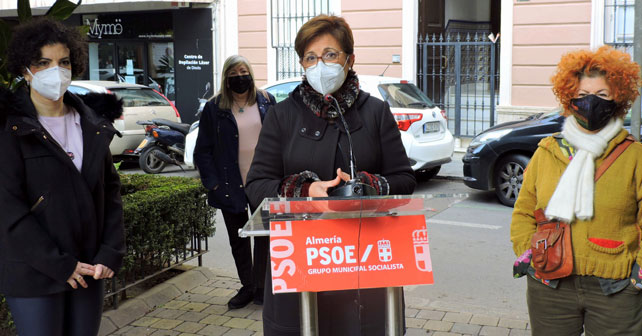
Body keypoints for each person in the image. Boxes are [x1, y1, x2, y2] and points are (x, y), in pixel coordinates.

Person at [245, 14, 416, 336]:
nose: (320, 64)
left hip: (364, 265)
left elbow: (404, 178)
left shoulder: (375, 112)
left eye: (329, 54)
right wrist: (306, 190)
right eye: (310, 57)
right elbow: (256, 185)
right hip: (299, 266)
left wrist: (369, 185)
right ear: (302, 64)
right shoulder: (282, 116)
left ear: (350, 59)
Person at [0, 17, 126, 336]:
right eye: (43, 62)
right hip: (34, 274)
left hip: (89, 270)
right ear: (24, 70)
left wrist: (110, 252)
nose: (55, 71)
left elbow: (109, 193)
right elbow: (8, 210)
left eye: (63, 61)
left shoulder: (91, 123)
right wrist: (59, 264)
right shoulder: (9, 129)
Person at [510, 46, 642, 335]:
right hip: (550, 283)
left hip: (616, 288)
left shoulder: (635, 156)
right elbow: (523, 212)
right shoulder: (547, 151)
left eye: (602, 95)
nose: (591, 102)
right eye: (582, 96)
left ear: (618, 99)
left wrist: (637, 277)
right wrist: (529, 255)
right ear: (569, 99)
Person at [193, 55, 276, 309]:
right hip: (230, 185)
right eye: (233, 73)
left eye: (243, 71)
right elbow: (202, 150)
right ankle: (248, 287)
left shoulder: (266, 101)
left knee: (265, 238)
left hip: (262, 183)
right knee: (238, 240)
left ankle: (264, 289)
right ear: (226, 78)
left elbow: (278, 139)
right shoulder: (215, 108)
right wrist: (213, 184)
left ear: (250, 73)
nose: (239, 77)